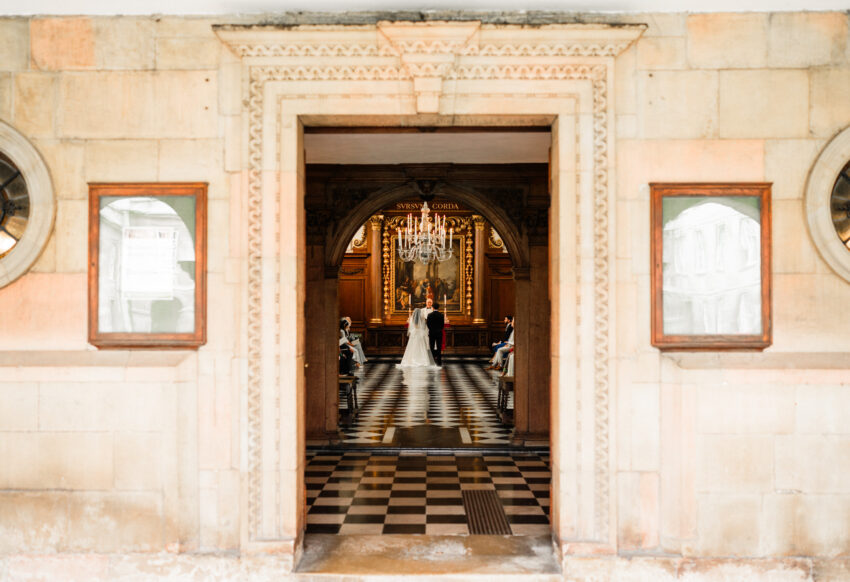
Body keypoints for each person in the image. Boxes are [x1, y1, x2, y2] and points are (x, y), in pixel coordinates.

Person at [426, 301, 446, 366]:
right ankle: (439, 362)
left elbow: (428, 324)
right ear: (438, 307)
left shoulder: (429, 315)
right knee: (439, 347)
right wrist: (439, 330)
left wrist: (431, 329)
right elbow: (442, 325)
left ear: (433, 307)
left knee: (431, 347)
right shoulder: (441, 315)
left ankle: (432, 362)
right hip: (439, 333)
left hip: (432, 333)